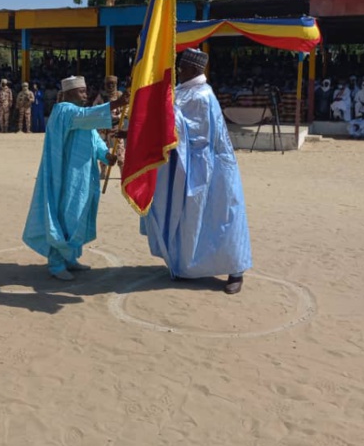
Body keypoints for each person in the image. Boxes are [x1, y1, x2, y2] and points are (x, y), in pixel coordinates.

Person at [140, 49, 252, 295]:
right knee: (190, 219)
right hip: (187, 164)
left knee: (222, 217)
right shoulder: (183, 91)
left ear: (193, 69)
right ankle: (187, 267)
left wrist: (167, 116)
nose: (178, 71)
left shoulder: (203, 96)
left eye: (181, 68)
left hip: (211, 168)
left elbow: (197, 135)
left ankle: (236, 270)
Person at [21, 75, 127, 280]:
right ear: (69, 93)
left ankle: (70, 258)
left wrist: (105, 154)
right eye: (81, 91)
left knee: (78, 215)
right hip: (65, 177)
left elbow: (93, 137)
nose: (85, 94)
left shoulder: (81, 115)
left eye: (85, 90)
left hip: (84, 176)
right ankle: (56, 263)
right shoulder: (63, 111)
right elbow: (85, 117)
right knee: (64, 215)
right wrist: (117, 103)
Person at [93, 75, 126, 171]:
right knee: (104, 150)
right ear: (105, 85)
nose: (110, 86)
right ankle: (103, 171)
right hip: (103, 128)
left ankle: (122, 171)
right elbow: (94, 107)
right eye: (108, 84)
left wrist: (121, 116)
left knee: (120, 151)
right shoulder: (102, 96)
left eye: (112, 84)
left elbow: (126, 109)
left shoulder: (119, 95)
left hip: (116, 126)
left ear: (116, 84)